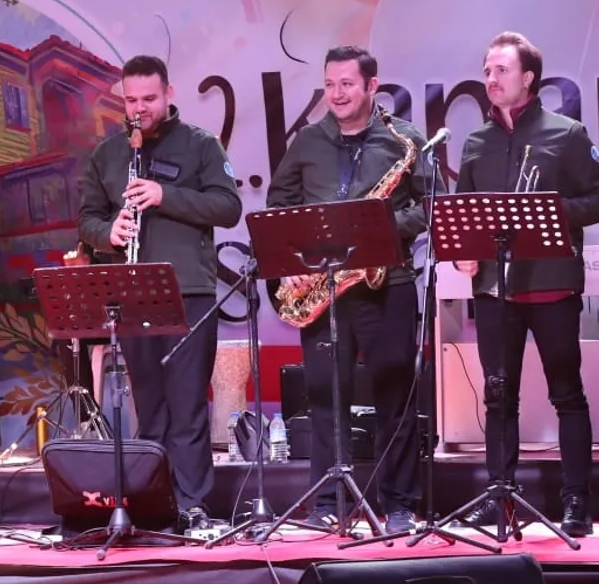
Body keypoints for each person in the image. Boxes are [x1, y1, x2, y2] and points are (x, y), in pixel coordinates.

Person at [266, 45, 433, 534]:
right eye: (329, 84)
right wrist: (290, 265)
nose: (336, 94)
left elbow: (430, 206)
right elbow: (279, 207)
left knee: (395, 396)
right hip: (324, 288)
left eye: (346, 84)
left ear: (371, 86)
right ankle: (328, 503)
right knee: (324, 397)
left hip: (387, 282)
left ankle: (399, 504)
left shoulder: (405, 139)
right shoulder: (307, 141)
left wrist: (382, 229)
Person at [77, 54, 242, 531]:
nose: (139, 109)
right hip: (131, 294)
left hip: (188, 292)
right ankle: (155, 501)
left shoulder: (200, 145)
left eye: (149, 98)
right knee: (149, 407)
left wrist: (165, 196)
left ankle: (192, 505)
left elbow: (228, 206)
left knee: (187, 406)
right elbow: (87, 219)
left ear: (169, 94)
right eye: (131, 100)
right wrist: (108, 233)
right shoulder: (108, 154)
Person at [454, 31, 598, 537]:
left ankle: (576, 501)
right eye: (487, 71)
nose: (491, 79)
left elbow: (596, 198)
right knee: (498, 396)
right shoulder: (476, 141)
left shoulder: (567, 133)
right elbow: (463, 211)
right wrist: (466, 251)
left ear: (528, 77)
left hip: (551, 285)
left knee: (567, 394)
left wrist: (550, 213)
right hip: (495, 290)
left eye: (502, 70)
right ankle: (501, 498)